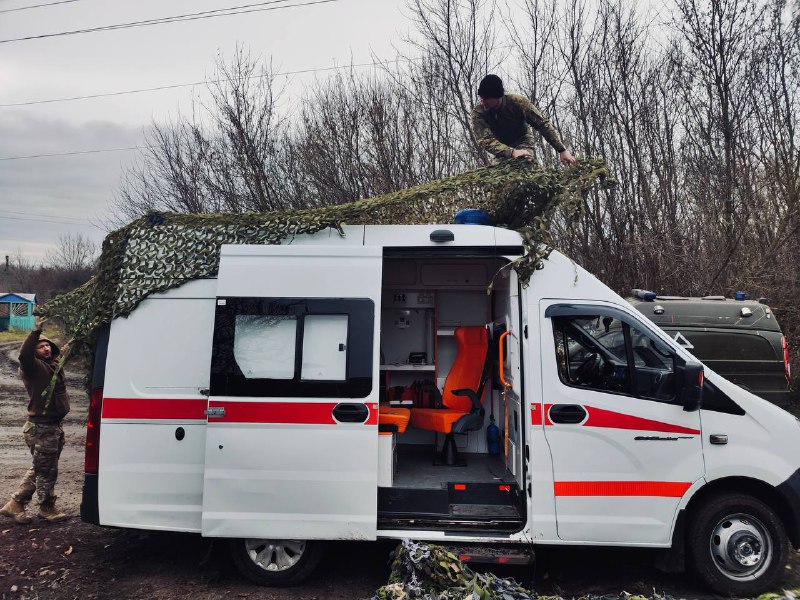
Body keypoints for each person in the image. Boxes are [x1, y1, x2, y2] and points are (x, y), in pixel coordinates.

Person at [0, 319, 70, 524]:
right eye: (40, 346)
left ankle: (16, 504)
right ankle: (46, 509)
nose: (46, 348)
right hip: (41, 428)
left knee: (42, 467)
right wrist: (35, 332)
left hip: (53, 426)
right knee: (47, 471)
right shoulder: (32, 368)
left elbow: (64, 352)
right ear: (34, 351)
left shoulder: (52, 366)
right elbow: (23, 354)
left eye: (47, 344)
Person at [471, 74, 577, 166]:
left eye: (487, 99)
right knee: (499, 175)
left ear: (498, 97)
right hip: (502, 147)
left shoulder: (518, 103)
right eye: (481, 98)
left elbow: (542, 123)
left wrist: (562, 150)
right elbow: (485, 140)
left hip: (523, 140)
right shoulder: (479, 113)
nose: (483, 102)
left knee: (524, 162)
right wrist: (511, 152)